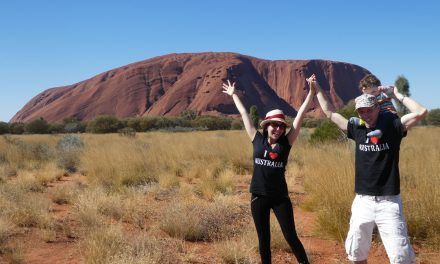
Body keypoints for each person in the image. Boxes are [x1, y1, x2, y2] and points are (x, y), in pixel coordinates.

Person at [310, 74, 427, 264]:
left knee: (401, 257)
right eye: (361, 111)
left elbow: (421, 112)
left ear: (377, 107)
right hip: (362, 201)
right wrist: (317, 89)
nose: (365, 114)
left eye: (369, 110)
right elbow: (330, 112)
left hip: (389, 202)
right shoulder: (357, 129)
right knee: (356, 253)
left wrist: (397, 94)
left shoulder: (393, 127)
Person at [222, 78, 314, 264]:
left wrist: (311, 92)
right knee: (264, 240)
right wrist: (234, 96)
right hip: (258, 197)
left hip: (280, 197)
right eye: (274, 125)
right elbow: (243, 114)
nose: (278, 129)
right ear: (266, 126)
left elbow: (300, 116)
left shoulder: (286, 143)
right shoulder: (256, 139)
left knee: (291, 236)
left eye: (281, 126)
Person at [350, 74, 399, 139]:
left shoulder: (383, 95)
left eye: (374, 91)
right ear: (363, 91)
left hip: (389, 115)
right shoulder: (367, 98)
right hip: (376, 118)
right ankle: (359, 123)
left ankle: (379, 131)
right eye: (368, 93)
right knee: (365, 114)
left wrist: (386, 89)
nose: (371, 95)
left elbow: (393, 91)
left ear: (379, 88)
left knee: (383, 116)